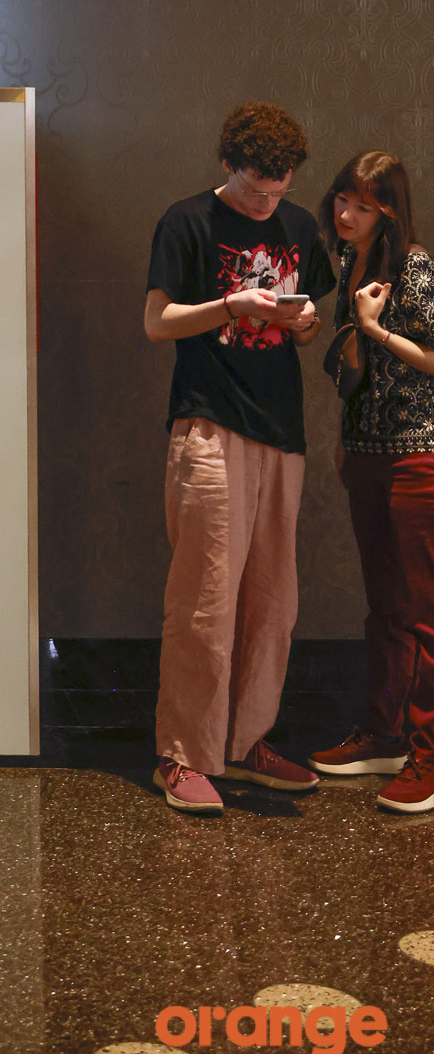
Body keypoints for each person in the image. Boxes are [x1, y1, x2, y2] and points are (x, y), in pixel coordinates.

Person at [144, 102, 336, 813]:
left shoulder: (297, 227)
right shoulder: (187, 220)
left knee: (272, 602)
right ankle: (183, 755)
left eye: (278, 189)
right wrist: (232, 305)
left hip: (280, 430)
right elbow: (156, 321)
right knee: (204, 600)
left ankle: (245, 740)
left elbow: (309, 322)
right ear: (229, 165)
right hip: (209, 423)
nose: (267, 201)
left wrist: (305, 319)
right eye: (256, 187)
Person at [308, 153, 434, 814]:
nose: (341, 212)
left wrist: (373, 327)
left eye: (356, 203)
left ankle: (428, 754)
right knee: (383, 605)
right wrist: (343, 440)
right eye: (338, 200)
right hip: (365, 454)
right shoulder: (347, 268)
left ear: (386, 207)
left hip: (417, 458)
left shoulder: (412, 267)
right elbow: (353, 374)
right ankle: (385, 735)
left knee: (422, 611)